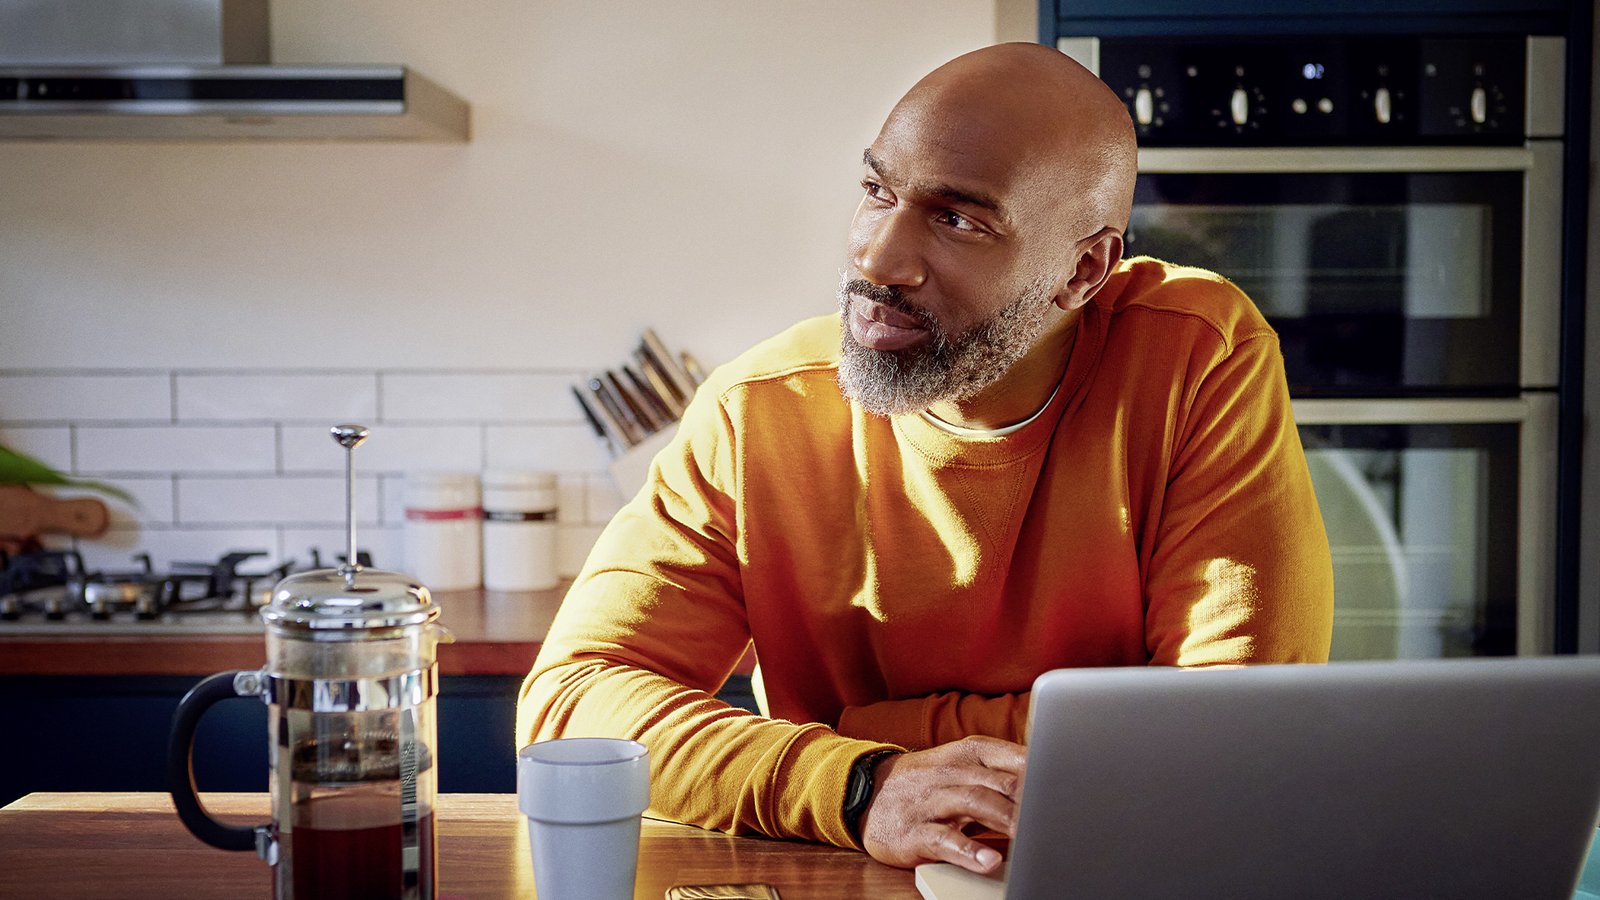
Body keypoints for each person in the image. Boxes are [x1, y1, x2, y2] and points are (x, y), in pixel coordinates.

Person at [516, 42, 1334, 876]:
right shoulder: (758, 411)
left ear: (1083, 270)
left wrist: (861, 731)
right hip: (848, 872)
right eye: (877, 192)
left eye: (958, 220)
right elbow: (571, 707)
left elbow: (1232, 733)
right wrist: (860, 784)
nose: (876, 258)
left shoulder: (1195, 358)